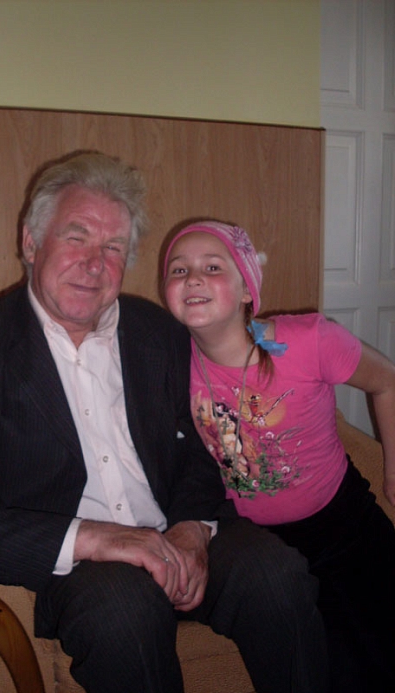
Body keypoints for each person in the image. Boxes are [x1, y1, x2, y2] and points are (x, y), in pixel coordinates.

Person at [0, 153, 329, 693]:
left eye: (113, 248)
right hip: (83, 563)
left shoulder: (161, 332)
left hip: (177, 529)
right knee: (123, 614)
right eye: (76, 237)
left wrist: (192, 529)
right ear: (31, 243)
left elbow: (204, 447)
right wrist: (95, 539)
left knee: (277, 576)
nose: (94, 263)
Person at [162, 219, 395, 693]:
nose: (193, 278)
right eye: (178, 270)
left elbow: (387, 380)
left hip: (343, 526)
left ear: (247, 289)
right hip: (257, 544)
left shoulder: (310, 341)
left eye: (212, 267)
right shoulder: (168, 362)